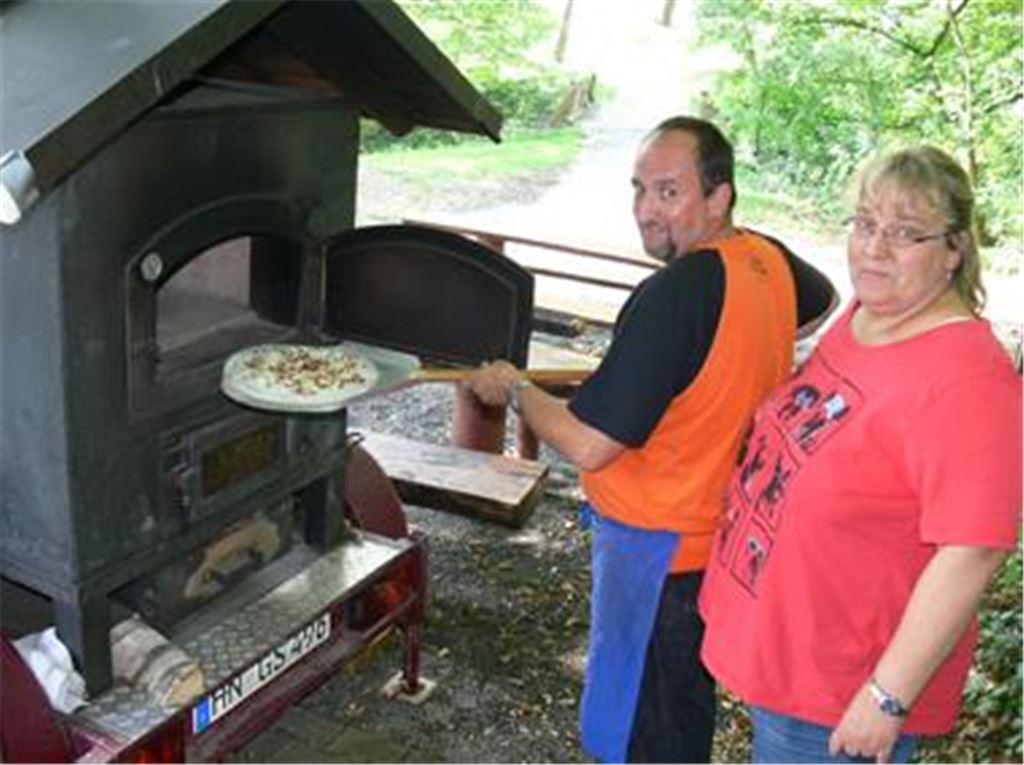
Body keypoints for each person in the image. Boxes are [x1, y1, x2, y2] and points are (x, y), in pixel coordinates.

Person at [464, 116, 837, 763]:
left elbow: (589, 443)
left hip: (656, 555)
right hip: (718, 542)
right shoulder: (765, 256)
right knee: (682, 715)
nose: (646, 210)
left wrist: (517, 388)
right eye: (639, 189)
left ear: (719, 196)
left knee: (645, 736)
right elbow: (823, 302)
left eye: (669, 191)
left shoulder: (674, 293)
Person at [698, 145, 1022, 764]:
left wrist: (887, 697)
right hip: (787, 656)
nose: (875, 247)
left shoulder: (968, 381)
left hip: (840, 695)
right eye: (867, 223)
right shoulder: (868, 316)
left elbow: (974, 550)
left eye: (905, 234)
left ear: (954, 249)